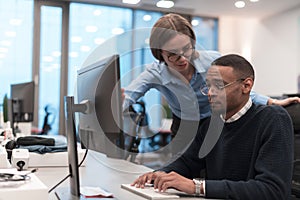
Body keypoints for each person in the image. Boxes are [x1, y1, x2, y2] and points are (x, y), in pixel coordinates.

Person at [131, 54, 294, 199]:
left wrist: (196, 187)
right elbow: (187, 163)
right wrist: (158, 175)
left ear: (246, 86)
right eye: (208, 86)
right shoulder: (211, 124)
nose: (210, 93)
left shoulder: (273, 119)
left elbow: (273, 190)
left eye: (219, 85)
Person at [123, 13, 300, 146]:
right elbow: (129, 95)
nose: (183, 58)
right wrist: (114, 105)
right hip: (184, 124)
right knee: (183, 173)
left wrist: (271, 102)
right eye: (173, 55)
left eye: (187, 49)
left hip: (216, 119)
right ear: (159, 53)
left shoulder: (212, 62)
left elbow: (237, 88)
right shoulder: (155, 73)